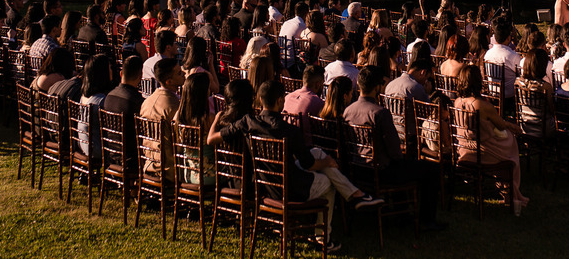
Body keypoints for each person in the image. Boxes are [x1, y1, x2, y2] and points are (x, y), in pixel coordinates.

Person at [210, 79, 382, 252]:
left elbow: (211, 139)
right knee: (329, 183)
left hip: (266, 182)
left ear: (261, 100)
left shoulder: (247, 122)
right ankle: (324, 238)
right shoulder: (289, 131)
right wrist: (328, 162)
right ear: (279, 101)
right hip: (290, 188)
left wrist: (217, 120)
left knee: (317, 152)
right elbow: (309, 165)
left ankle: (355, 195)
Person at [344, 66, 445, 230]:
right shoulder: (380, 113)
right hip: (382, 171)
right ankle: (427, 220)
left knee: (404, 167)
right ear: (377, 87)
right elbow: (395, 153)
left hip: (358, 169)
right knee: (431, 169)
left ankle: (402, 213)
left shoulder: (348, 111)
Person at [453, 64, 527, 215]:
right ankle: (509, 189)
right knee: (511, 143)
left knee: (507, 139)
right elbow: (500, 125)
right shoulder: (482, 105)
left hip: (463, 149)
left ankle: (505, 187)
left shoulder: (457, 102)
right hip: (482, 152)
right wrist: (511, 126)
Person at [103, 55, 145, 166]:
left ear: (121, 73)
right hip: (130, 159)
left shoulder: (108, 96)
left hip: (110, 155)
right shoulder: (137, 102)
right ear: (140, 76)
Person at [77, 54, 116, 158]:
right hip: (97, 149)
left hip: (83, 144)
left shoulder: (84, 97)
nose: (112, 71)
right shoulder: (101, 102)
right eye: (109, 68)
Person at [484, 18, 523, 103]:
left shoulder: (487, 54)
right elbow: (521, 75)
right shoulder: (513, 56)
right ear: (508, 38)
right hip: (510, 97)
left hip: (493, 93)